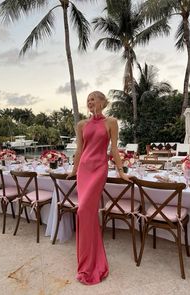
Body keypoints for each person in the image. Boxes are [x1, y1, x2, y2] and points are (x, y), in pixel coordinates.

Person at [67, 90, 131, 285]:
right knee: (85, 212)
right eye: (88, 100)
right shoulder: (81, 124)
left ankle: (92, 261)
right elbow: (80, 149)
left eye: (93, 99)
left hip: (99, 169)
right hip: (84, 170)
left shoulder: (110, 122)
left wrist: (120, 171)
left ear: (103, 102)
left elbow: (113, 148)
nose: (90, 102)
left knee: (85, 209)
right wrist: (74, 169)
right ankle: (87, 260)